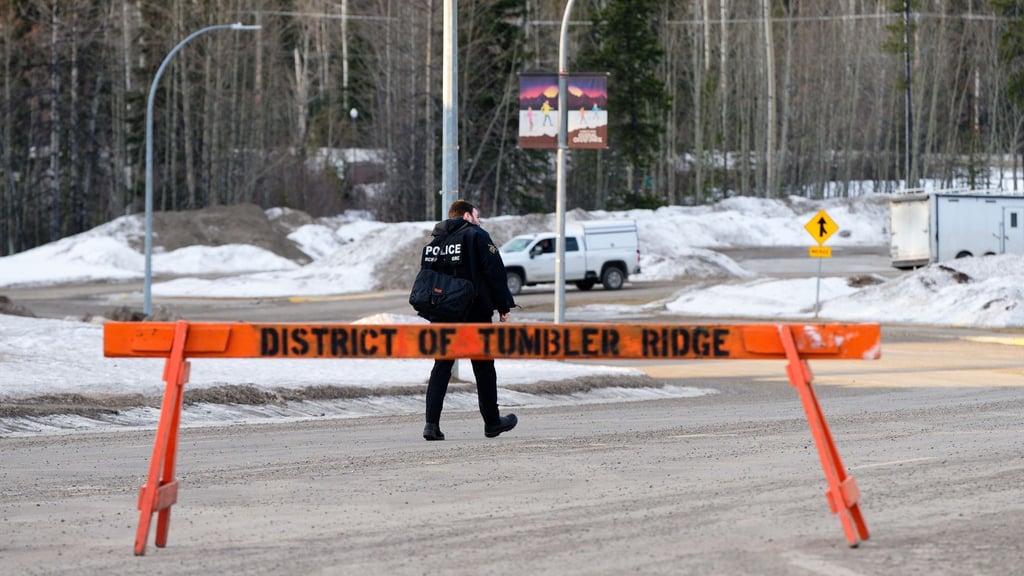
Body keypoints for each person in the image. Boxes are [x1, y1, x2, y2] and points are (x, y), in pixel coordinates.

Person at [421, 200, 518, 441]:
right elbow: (495, 271)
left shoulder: (435, 242)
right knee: (484, 367)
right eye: (476, 215)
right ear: (467, 216)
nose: (478, 219)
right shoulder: (476, 235)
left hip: (442, 313)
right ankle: (492, 422)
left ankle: (431, 425)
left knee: (442, 365)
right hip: (474, 312)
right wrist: (504, 305)